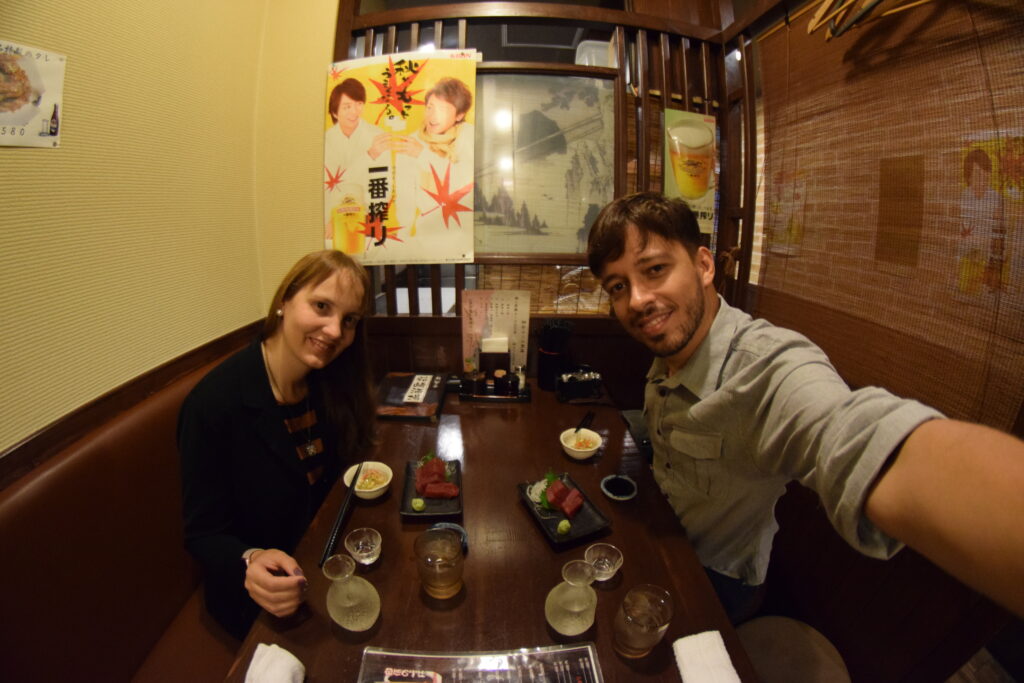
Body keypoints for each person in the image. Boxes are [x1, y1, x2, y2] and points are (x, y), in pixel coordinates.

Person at [587, 191, 1024, 622]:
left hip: (717, 578)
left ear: (703, 265)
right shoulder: (674, 339)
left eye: (655, 269)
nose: (637, 300)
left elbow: (847, 434)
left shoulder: (766, 367)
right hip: (663, 538)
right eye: (618, 287)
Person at [178, 250, 375, 638]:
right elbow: (202, 534)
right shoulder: (214, 404)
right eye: (322, 306)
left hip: (327, 566)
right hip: (262, 604)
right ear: (285, 300)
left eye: (349, 320)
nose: (335, 330)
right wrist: (251, 558)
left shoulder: (329, 380)